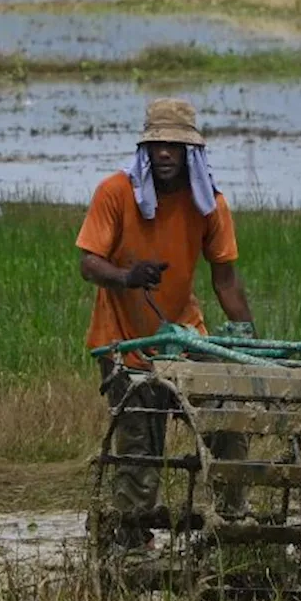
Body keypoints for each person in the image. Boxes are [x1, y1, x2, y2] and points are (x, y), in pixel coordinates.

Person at [76, 98, 255, 548]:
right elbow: (88, 263)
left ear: (190, 151)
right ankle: (129, 540)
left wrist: (247, 339)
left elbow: (226, 281)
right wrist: (127, 276)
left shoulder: (208, 203)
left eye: (175, 145)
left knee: (227, 420)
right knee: (140, 442)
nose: (165, 154)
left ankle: (231, 524)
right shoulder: (116, 193)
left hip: (185, 334)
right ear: (146, 150)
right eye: (157, 145)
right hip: (124, 340)